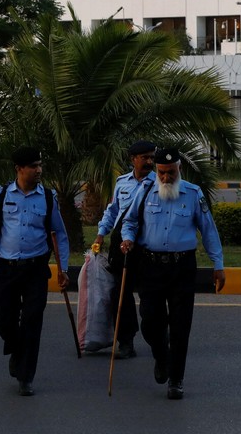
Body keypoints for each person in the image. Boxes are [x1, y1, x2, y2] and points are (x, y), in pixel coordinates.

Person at [119, 146, 224, 400]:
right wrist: (127, 238)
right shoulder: (144, 191)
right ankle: (161, 355)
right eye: (162, 173)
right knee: (150, 320)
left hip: (182, 267)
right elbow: (130, 221)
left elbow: (208, 230)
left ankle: (176, 379)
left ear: (180, 169)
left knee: (180, 325)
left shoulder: (193, 193)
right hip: (150, 266)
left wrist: (218, 264)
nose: (166, 178)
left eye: (171, 173)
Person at [0, 146, 70, 397]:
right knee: (4, 319)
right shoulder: (0, 194)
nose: (39, 170)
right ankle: (15, 349)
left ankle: (26, 375)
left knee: (32, 322)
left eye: (40, 165)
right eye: (33, 166)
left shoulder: (47, 197)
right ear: (19, 169)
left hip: (35, 269)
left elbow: (60, 234)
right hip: (7, 269)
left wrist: (63, 268)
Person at [91, 139, 156, 359]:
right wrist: (100, 235)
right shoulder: (122, 183)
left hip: (148, 246)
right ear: (133, 160)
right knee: (120, 293)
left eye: (151, 157)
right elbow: (112, 211)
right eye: (144, 157)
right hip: (121, 245)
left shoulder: (159, 183)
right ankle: (126, 340)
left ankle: (158, 336)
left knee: (150, 296)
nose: (149, 161)